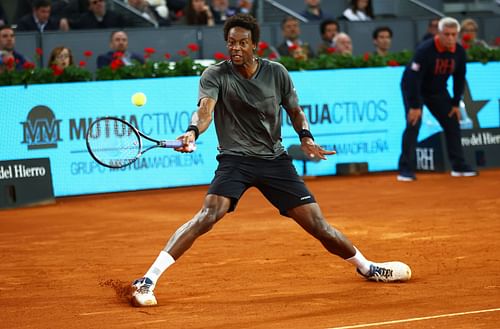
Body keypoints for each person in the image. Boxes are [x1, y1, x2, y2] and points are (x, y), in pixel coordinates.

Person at [130, 13, 411, 307]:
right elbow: (204, 111)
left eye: (242, 43)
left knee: (318, 226)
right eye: (231, 43)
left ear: (255, 46)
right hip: (235, 159)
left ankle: (368, 268)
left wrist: (306, 136)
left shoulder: (276, 72)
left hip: (274, 160)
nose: (235, 48)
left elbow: (294, 109)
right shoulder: (215, 74)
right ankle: (147, 280)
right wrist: (191, 133)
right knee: (209, 215)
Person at [398, 17, 477, 182]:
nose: (450, 38)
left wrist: (455, 103)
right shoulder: (425, 50)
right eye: (446, 34)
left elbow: (459, 77)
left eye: (453, 34)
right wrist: (414, 105)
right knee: (414, 124)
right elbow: (413, 78)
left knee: (452, 122)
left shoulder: (459, 52)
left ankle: (458, 166)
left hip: (438, 90)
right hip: (415, 89)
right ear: (439, 34)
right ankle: (405, 169)